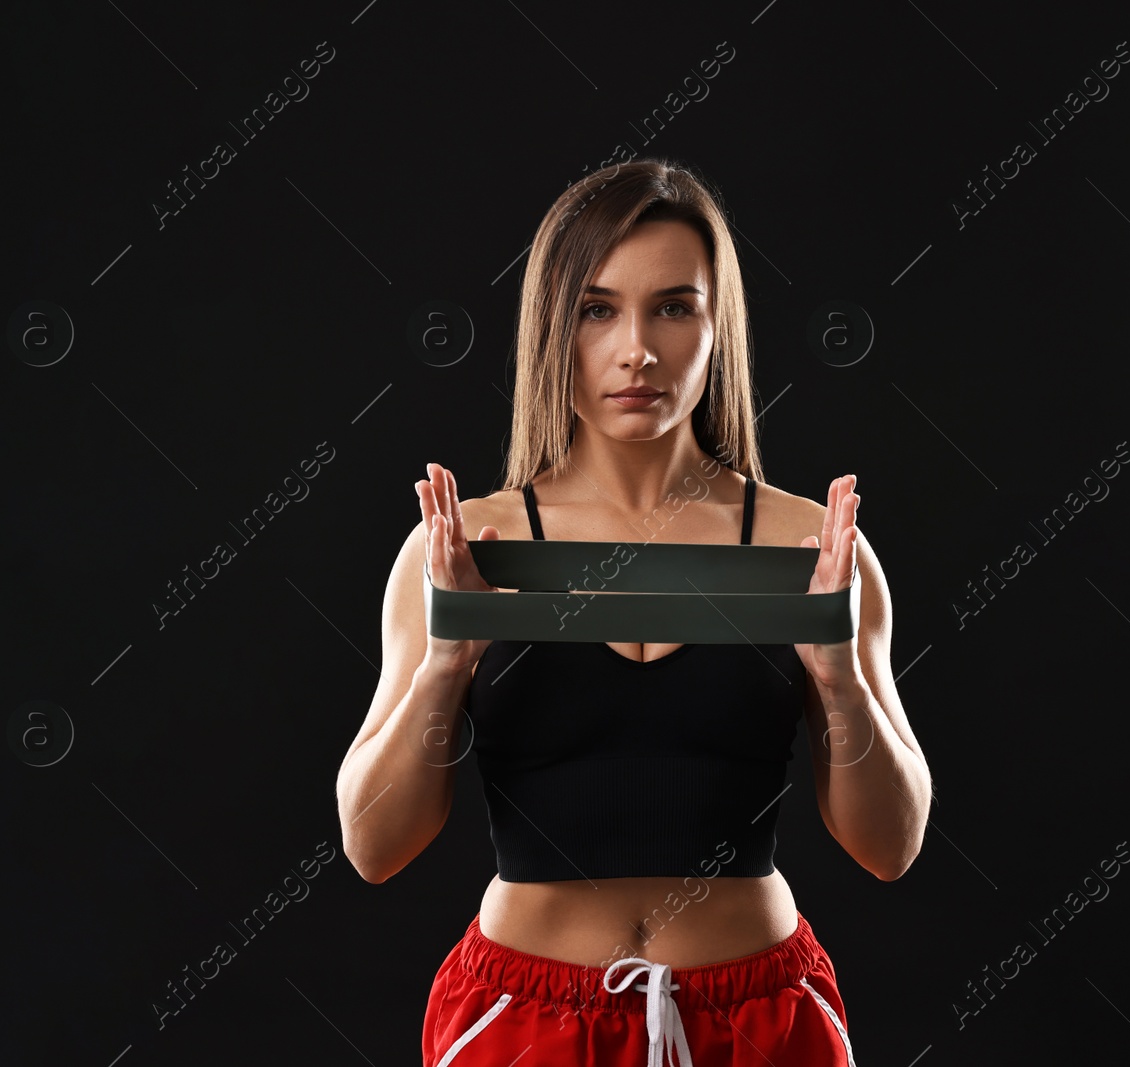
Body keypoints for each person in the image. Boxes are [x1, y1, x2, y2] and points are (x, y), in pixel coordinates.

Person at [336, 158, 933, 1065]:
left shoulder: (813, 548)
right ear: (553, 325)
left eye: (674, 307)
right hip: (522, 1014)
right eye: (598, 308)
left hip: (758, 1015)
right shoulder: (464, 545)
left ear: (715, 324)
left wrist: (839, 678)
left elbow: (891, 846)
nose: (638, 350)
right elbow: (373, 846)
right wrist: (445, 666)